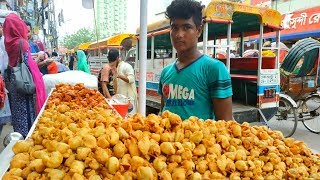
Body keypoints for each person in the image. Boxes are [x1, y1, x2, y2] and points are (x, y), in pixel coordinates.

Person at [158, 0, 233, 121]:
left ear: (198, 30)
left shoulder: (215, 69)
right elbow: (163, 112)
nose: (179, 34)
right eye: (174, 28)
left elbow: (226, 125)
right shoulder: (165, 72)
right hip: (168, 139)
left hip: (200, 140)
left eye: (186, 27)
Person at [3, 13, 47, 137]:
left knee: (17, 111)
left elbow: (17, 61)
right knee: (27, 111)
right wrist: (39, 57)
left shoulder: (8, 43)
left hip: (13, 81)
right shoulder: (22, 42)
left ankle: (19, 137)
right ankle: (27, 138)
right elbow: (28, 66)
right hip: (24, 82)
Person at [101, 48, 138, 113]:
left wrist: (119, 76)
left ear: (118, 58)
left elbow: (131, 79)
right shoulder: (114, 68)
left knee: (130, 119)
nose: (112, 64)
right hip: (119, 100)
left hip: (128, 98)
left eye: (113, 62)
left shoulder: (126, 66)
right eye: (111, 62)